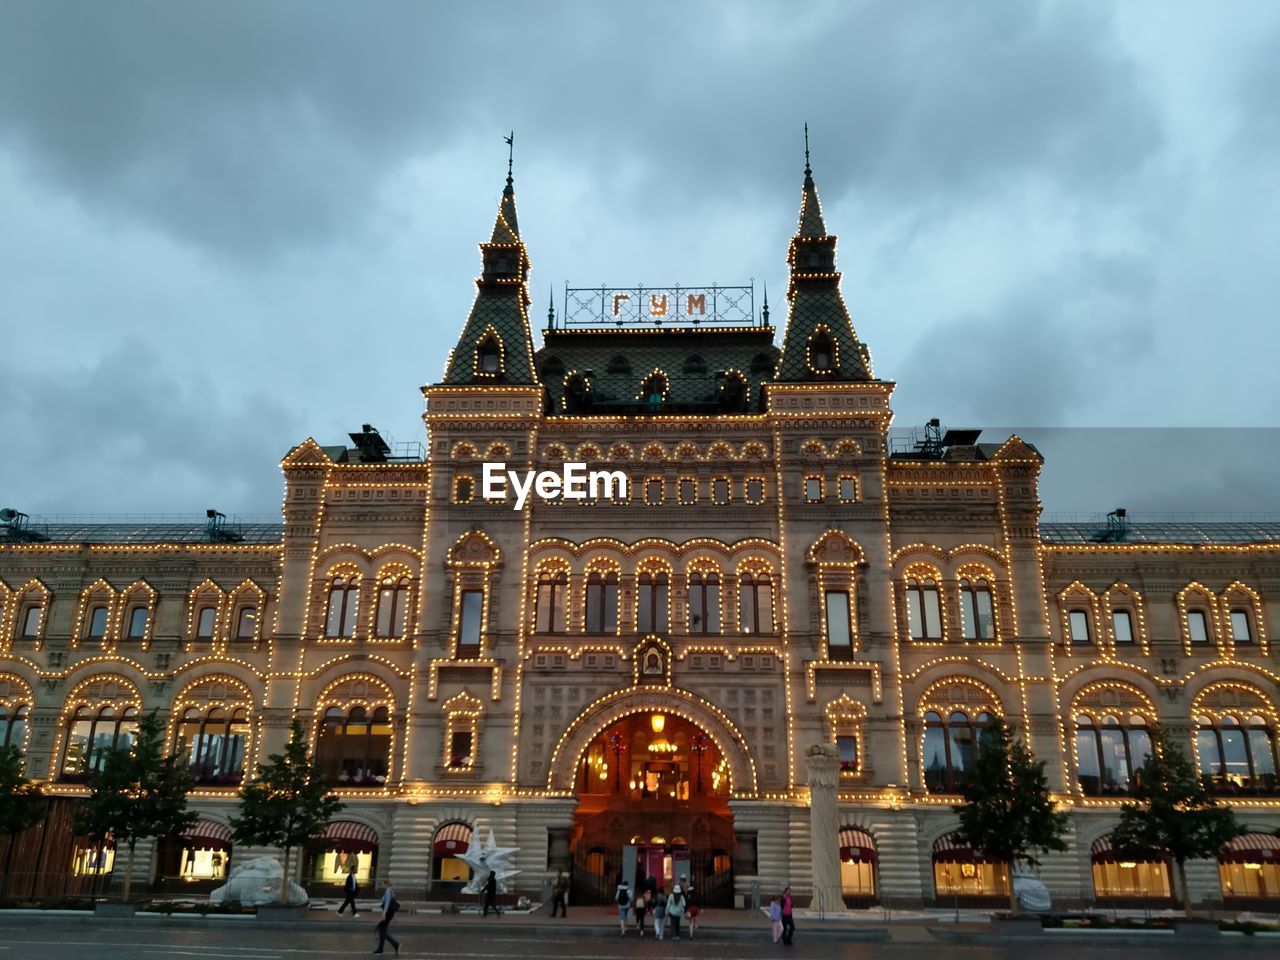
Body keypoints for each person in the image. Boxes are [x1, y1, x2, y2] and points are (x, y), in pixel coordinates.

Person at [372, 879, 400, 955]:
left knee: (382, 931)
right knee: (382, 931)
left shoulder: (388, 892)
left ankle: (396, 944)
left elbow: (387, 903)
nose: (382, 885)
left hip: (387, 913)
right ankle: (380, 949)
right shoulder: (391, 891)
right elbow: (386, 901)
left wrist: (384, 913)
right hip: (389, 913)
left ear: (385, 884)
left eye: (382, 884)